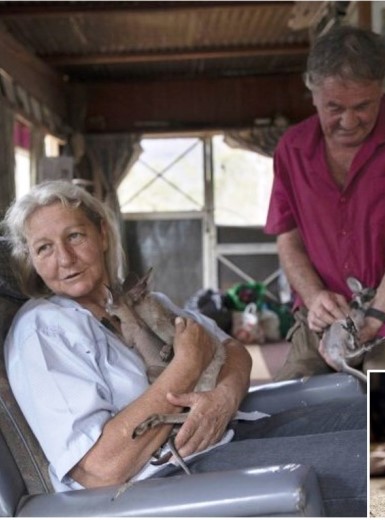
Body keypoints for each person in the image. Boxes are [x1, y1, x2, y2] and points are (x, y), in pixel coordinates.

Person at [2, 181, 365, 516]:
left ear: (101, 234)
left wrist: (222, 398)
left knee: (369, 417)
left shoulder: (135, 301)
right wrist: (188, 363)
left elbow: (234, 350)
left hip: (225, 431)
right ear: (31, 260)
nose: (64, 258)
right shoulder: (44, 329)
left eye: (75, 236)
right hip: (167, 475)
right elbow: (99, 469)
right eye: (44, 248)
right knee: (376, 468)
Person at [266, 24, 385, 379]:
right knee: (291, 402)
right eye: (334, 107)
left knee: (380, 391)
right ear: (311, 89)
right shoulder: (291, 149)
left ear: (382, 88)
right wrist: (313, 297)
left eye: (363, 106)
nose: (349, 120)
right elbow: (288, 238)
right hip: (326, 305)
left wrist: (375, 317)